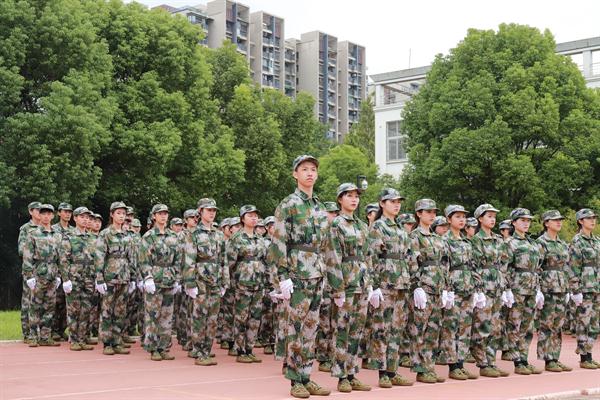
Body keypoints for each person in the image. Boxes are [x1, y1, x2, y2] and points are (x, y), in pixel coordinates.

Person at [269, 154, 330, 398]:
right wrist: (282, 276)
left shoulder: (320, 206)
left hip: (317, 271)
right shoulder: (288, 204)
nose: (310, 173)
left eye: (313, 169)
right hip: (296, 272)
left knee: (311, 328)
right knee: (294, 327)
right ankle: (295, 379)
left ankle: (306, 375)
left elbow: (324, 244)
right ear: (295, 174)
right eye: (304, 169)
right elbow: (278, 242)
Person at [325, 183, 373, 393]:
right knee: (342, 330)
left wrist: (370, 283)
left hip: (361, 282)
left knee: (357, 331)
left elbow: (368, 256)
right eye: (349, 196)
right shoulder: (336, 224)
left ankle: (352, 373)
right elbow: (333, 257)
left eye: (356, 196)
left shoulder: (362, 225)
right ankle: (341, 375)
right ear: (340, 199)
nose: (354, 199)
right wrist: (338, 288)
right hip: (345, 282)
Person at [367, 188, 414, 388]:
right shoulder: (378, 226)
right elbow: (371, 256)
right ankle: (382, 372)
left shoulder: (400, 229)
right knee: (382, 328)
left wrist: (413, 282)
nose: (396, 205)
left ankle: (392, 370)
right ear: (382, 203)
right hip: (385, 283)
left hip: (401, 283)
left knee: (397, 328)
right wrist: (374, 285)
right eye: (392, 201)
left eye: (398, 201)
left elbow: (409, 256)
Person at [437, 205, 480, 380]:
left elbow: (473, 266)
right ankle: (452, 365)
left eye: (463, 217)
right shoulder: (444, 240)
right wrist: (446, 290)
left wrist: (477, 288)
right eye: (457, 217)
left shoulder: (466, 242)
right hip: (453, 288)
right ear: (449, 219)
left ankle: (460, 362)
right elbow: (443, 266)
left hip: (467, 286)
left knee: (465, 327)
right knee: (451, 327)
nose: (462, 220)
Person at [184, 198, 228, 366]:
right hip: (200, 279)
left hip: (216, 280)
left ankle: (206, 350)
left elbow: (223, 259)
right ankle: (198, 350)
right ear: (200, 212)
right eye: (208, 210)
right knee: (199, 316)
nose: (212, 213)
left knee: (213, 318)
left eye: (214, 210)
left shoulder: (219, 234)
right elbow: (189, 259)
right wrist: (190, 282)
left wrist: (225, 281)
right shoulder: (194, 233)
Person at [409, 199, 448, 384]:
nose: (432, 215)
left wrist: (446, 288)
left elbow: (444, 264)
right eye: (428, 212)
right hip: (423, 287)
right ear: (419, 213)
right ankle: (420, 368)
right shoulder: (414, 236)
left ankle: (429, 366)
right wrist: (416, 286)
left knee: (433, 329)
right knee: (419, 329)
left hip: (437, 287)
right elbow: (412, 262)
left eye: (434, 212)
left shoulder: (437, 238)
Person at [470, 204, 510, 378]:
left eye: (494, 216)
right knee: (482, 325)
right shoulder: (476, 240)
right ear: (480, 218)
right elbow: (473, 265)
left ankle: (491, 361)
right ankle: (483, 362)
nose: (493, 219)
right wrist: (478, 289)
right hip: (484, 287)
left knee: (495, 326)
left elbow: (504, 263)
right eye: (489, 216)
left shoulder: (498, 239)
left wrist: (505, 286)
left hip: (497, 286)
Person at [139, 204, 181, 361]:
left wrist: (177, 278)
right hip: (155, 279)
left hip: (169, 279)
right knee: (153, 315)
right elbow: (144, 259)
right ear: (154, 216)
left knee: (167, 316)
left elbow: (178, 258)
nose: (163, 216)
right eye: (160, 213)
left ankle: (163, 347)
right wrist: (148, 277)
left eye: (165, 213)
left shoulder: (173, 236)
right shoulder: (149, 236)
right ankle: (152, 348)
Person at [226, 205, 268, 363]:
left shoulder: (260, 238)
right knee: (241, 317)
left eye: (255, 215)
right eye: (250, 215)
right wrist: (230, 282)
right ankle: (240, 349)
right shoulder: (236, 238)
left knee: (255, 317)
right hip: (242, 283)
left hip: (258, 283)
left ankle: (249, 348)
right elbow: (230, 262)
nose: (254, 218)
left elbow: (265, 261)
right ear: (242, 219)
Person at [505, 208, 543, 375]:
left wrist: (538, 288)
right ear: (514, 223)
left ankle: (524, 358)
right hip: (517, 288)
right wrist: (507, 289)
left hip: (532, 287)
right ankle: (517, 361)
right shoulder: (509, 243)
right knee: (515, 324)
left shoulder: (532, 243)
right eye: (522, 220)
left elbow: (537, 267)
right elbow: (506, 268)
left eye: (528, 220)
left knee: (528, 326)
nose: (526, 223)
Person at [94, 201, 134, 355]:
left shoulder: (127, 235)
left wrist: (133, 277)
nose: (122, 216)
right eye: (118, 213)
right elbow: (99, 256)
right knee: (107, 310)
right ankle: (107, 343)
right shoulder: (105, 234)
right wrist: (99, 277)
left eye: (123, 213)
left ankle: (117, 341)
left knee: (120, 310)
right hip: (110, 276)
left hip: (124, 276)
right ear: (112, 214)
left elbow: (131, 257)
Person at [535, 210, 572, 372]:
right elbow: (536, 267)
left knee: (558, 324)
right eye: (555, 220)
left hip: (561, 287)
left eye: (560, 220)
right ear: (546, 223)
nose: (559, 222)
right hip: (548, 288)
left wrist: (568, 288)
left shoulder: (562, 244)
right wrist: (538, 289)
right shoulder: (541, 243)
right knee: (547, 324)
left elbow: (566, 267)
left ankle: (555, 357)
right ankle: (547, 358)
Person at [22, 204, 62, 347]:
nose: (46, 216)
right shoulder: (33, 233)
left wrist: (59, 275)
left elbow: (60, 257)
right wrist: (29, 276)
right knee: (35, 306)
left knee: (50, 306)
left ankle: (45, 336)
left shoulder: (57, 235)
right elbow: (27, 256)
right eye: (43, 213)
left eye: (49, 214)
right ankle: (33, 335)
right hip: (38, 273)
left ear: (53, 216)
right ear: (39, 215)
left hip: (53, 273)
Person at [59, 207, 96, 351]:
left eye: (87, 217)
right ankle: (74, 339)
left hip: (89, 277)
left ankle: (82, 338)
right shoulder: (69, 236)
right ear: (75, 218)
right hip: (74, 276)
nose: (85, 220)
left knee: (86, 309)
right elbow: (63, 259)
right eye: (82, 217)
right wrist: (65, 279)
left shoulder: (92, 238)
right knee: (74, 309)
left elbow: (96, 258)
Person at [568, 208, 600, 369]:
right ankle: (584, 357)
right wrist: (575, 290)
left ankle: (589, 352)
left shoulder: (597, 241)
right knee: (583, 322)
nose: (593, 220)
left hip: (597, 286)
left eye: (594, 218)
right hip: (584, 288)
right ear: (580, 221)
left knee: (595, 324)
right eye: (588, 218)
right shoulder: (577, 241)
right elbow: (573, 267)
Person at [316, 202, 339, 372]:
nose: (334, 215)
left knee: (335, 321)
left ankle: (332, 354)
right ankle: (323, 356)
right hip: (322, 280)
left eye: (336, 213)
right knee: (324, 321)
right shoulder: (321, 232)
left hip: (335, 282)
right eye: (331, 213)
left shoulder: (338, 232)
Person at [18, 201, 42, 344]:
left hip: (44, 271)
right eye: (37, 210)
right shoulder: (26, 229)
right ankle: (27, 333)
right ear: (30, 212)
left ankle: (41, 332)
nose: (40, 213)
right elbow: (22, 249)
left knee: (41, 302)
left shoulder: (46, 228)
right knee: (28, 300)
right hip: (31, 269)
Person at [52, 202, 73, 341]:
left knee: (67, 303)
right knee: (56, 302)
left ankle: (61, 329)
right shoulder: (53, 229)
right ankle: (53, 330)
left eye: (69, 212)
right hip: (56, 271)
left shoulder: (73, 231)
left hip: (69, 271)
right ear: (59, 213)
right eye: (65, 211)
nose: (67, 214)